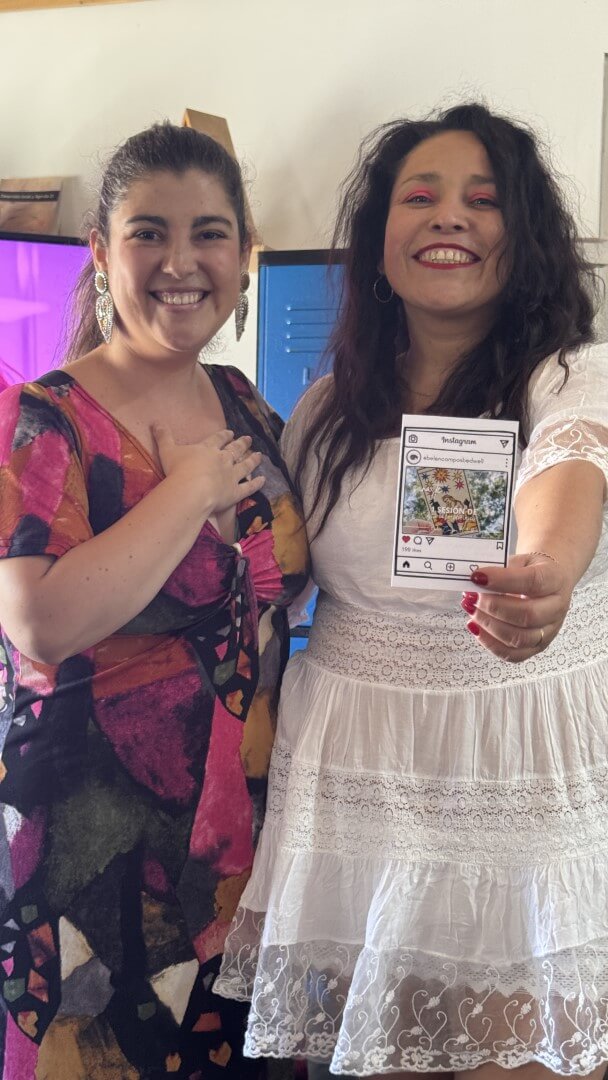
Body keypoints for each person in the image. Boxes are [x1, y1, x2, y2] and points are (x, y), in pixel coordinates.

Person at [214, 103, 608, 1080]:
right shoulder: (324, 409)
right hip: (364, 785)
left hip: (510, 782)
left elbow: (570, 468)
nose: (448, 215)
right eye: (419, 196)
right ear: (380, 242)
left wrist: (544, 574)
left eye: (484, 200)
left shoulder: (570, 376)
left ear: (526, 237)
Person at [0, 122, 308, 1078]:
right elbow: (42, 621)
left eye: (210, 233)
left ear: (244, 252)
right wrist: (187, 492)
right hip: (98, 856)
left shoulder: (246, 404)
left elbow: (290, 585)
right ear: (101, 252)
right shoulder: (43, 418)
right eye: (149, 233)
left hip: (245, 841)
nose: (181, 262)